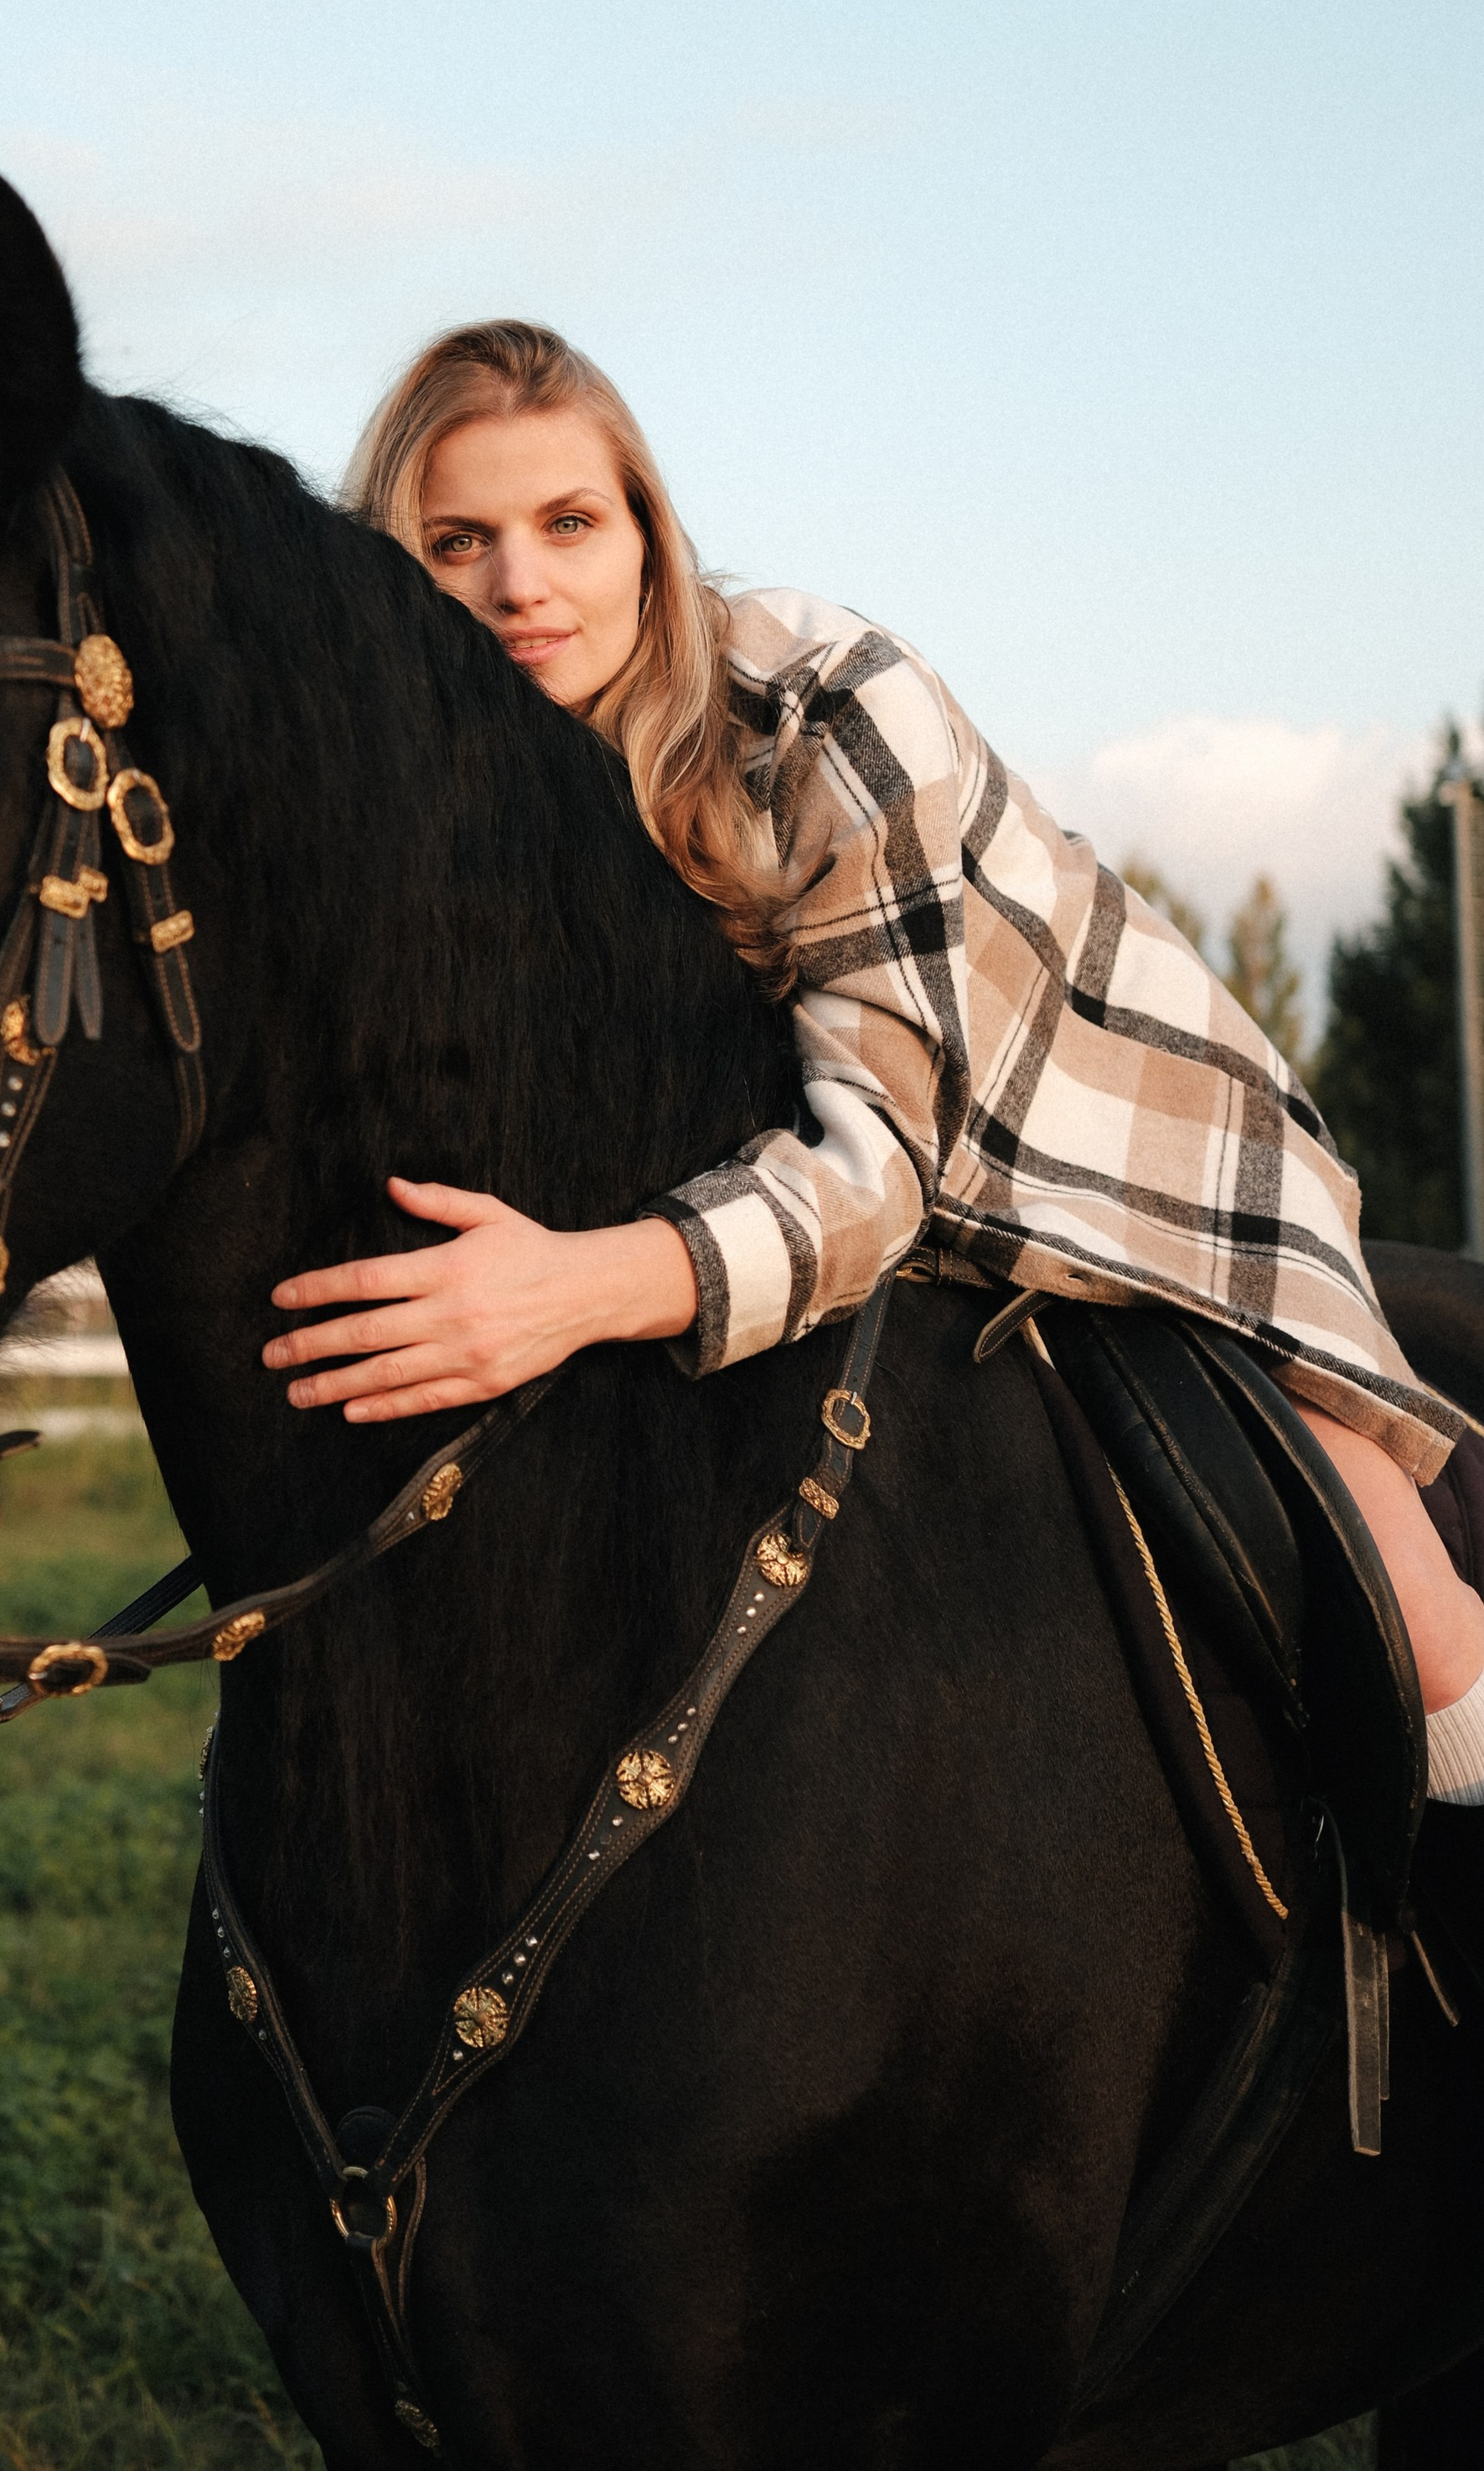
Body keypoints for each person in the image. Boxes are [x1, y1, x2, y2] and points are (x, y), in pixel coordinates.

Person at [261, 322, 1484, 1803]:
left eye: (568, 524)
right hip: (781, 1223)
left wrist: (569, 1290)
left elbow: (885, 1167)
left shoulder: (818, 693)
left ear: (648, 536)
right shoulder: (420, 787)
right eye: (460, 540)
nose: (521, 585)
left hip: (1106, 1171)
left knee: (1408, 1642)